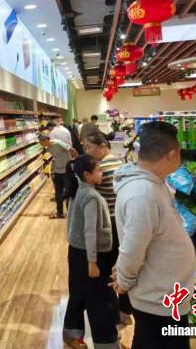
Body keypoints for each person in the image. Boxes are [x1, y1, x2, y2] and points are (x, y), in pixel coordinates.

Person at [111, 121, 196, 349]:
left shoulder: (153, 184)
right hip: (158, 301)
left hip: (165, 296)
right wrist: (124, 281)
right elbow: (132, 247)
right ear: (172, 154)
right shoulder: (143, 194)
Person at [63, 155, 120, 349]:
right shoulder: (91, 197)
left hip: (77, 252)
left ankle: (71, 333)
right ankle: (107, 344)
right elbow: (90, 231)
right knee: (100, 301)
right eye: (98, 170)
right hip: (90, 255)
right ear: (87, 175)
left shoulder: (78, 190)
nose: (102, 173)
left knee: (79, 293)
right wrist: (92, 262)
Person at [83, 132, 132, 324]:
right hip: (119, 220)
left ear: (103, 146)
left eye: (89, 147)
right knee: (120, 265)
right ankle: (125, 309)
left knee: (108, 268)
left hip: (108, 222)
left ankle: (114, 312)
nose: (87, 151)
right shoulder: (118, 161)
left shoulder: (101, 167)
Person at [47, 115, 77, 219]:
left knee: (58, 190)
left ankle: (60, 212)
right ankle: (71, 210)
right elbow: (71, 145)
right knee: (69, 189)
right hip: (68, 163)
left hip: (58, 165)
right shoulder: (66, 130)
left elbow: (52, 149)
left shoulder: (52, 133)